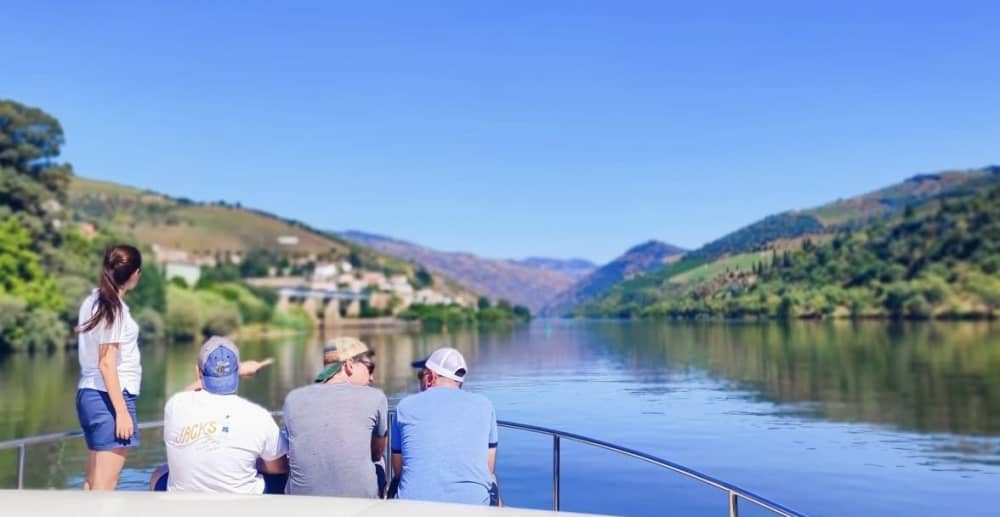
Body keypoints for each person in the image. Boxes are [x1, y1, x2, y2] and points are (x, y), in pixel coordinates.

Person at [159, 336, 288, 493]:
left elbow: (185, 393)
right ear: (237, 371)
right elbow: (280, 467)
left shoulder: (175, 406)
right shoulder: (258, 416)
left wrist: (235, 371)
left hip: (185, 502)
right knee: (282, 476)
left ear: (198, 372)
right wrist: (253, 463)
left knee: (160, 473)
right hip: (243, 502)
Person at [282, 337, 389, 498]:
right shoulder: (375, 397)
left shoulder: (293, 398)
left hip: (303, 503)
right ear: (349, 365)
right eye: (369, 368)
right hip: (358, 503)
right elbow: (376, 453)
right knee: (380, 461)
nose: (371, 377)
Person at [391, 347, 499, 506]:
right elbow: (488, 468)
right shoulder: (485, 405)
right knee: (492, 479)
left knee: (394, 483)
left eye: (421, 375)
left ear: (430, 377)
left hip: (412, 509)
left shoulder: (404, 406)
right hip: (473, 509)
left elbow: (398, 470)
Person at [75, 245, 144, 491]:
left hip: (90, 394)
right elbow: (106, 363)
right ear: (135, 274)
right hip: (109, 398)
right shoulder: (114, 308)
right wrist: (122, 412)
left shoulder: (92, 301)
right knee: (105, 487)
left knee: (92, 484)